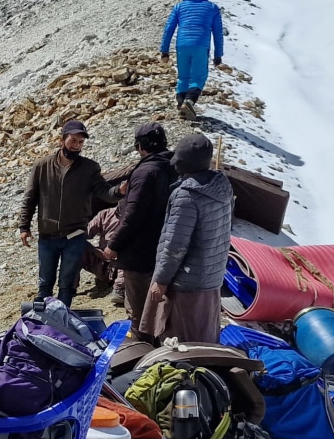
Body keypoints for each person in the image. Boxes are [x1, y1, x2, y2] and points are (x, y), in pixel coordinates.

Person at [146, 131, 234, 345]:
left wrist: (161, 280)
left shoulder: (186, 196)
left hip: (187, 282)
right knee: (205, 337)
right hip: (211, 277)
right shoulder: (222, 187)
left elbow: (175, 245)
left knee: (180, 343)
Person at [19, 119, 116, 306]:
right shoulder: (42, 166)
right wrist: (24, 226)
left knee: (67, 282)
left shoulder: (89, 168)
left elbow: (104, 192)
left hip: (75, 235)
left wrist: (118, 192)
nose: (76, 146)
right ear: (62, 140)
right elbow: (30, 198)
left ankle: (62, 319)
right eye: (73, 141)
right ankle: (41, 322)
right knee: (45, 282)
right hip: (47, 236)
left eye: (80, 142)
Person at [104, 122, 178, 337]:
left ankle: (141, 347)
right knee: (160, 303)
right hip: (166, 248)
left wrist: (114, 244)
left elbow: (133, 215)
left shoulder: (145, 171)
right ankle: (158, 340)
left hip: (140, 251)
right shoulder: (175, 167)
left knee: (138, 305)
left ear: (140, 146)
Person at [160, 0, 225, 119]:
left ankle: (181, 106)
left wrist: (164, 51)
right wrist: (218, 55)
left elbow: (168, 29)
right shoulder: (212, 8)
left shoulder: (180, 6)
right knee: (199, 76)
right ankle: (189, 101)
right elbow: (218, 33)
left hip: (182, 45)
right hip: (201, 45)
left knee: (183, 76)